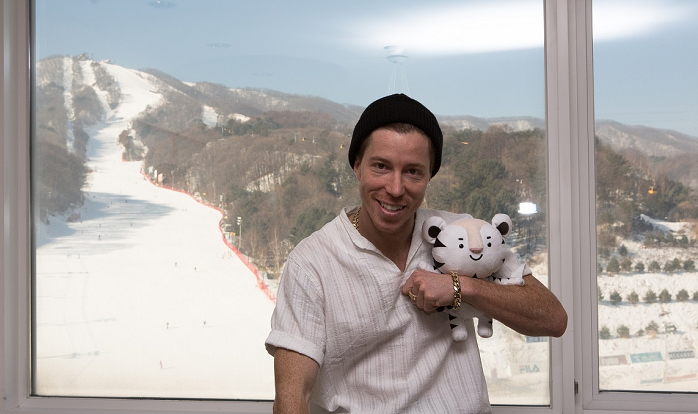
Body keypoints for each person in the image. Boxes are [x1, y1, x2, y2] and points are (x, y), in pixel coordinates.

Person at [265, 94, 567, 413]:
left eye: (413, 172)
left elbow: (553, 318)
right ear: (357, 166)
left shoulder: (462, 234)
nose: (396, 188)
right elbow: (292, 397)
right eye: (381, 166)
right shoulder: (312, 262)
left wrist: (463, 287)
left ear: (429, 176)